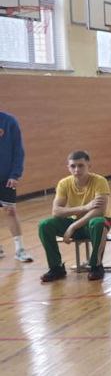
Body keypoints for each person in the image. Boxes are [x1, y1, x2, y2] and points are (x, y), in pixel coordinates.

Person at [38, 150, 111, 283]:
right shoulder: (64, 183)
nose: (77, 169)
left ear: (89, 166)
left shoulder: (100, 181)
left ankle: (96, 266)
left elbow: (99, 211)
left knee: (98, 222)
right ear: (68, 167)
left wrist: (72, 227)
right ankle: (56, 268)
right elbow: (56, 211)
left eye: (81, 165)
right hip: (75, 220)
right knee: (45, 225)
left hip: (94, 223)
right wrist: (84, 207)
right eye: (73, 166)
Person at [0, 109, 32, 262]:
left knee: (10, 211)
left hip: (6, 178)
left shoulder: (9, 121)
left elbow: (18, 150)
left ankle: (20, 250)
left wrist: (15, 174)